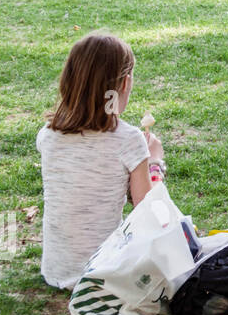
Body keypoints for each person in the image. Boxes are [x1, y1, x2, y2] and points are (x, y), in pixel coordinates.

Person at [38, 33, 165, 289]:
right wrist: (154, 162)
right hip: (102, 271)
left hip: (55, 270)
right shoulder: (128, 140)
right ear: (125, 83)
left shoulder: (47, 135)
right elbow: (148, 211)